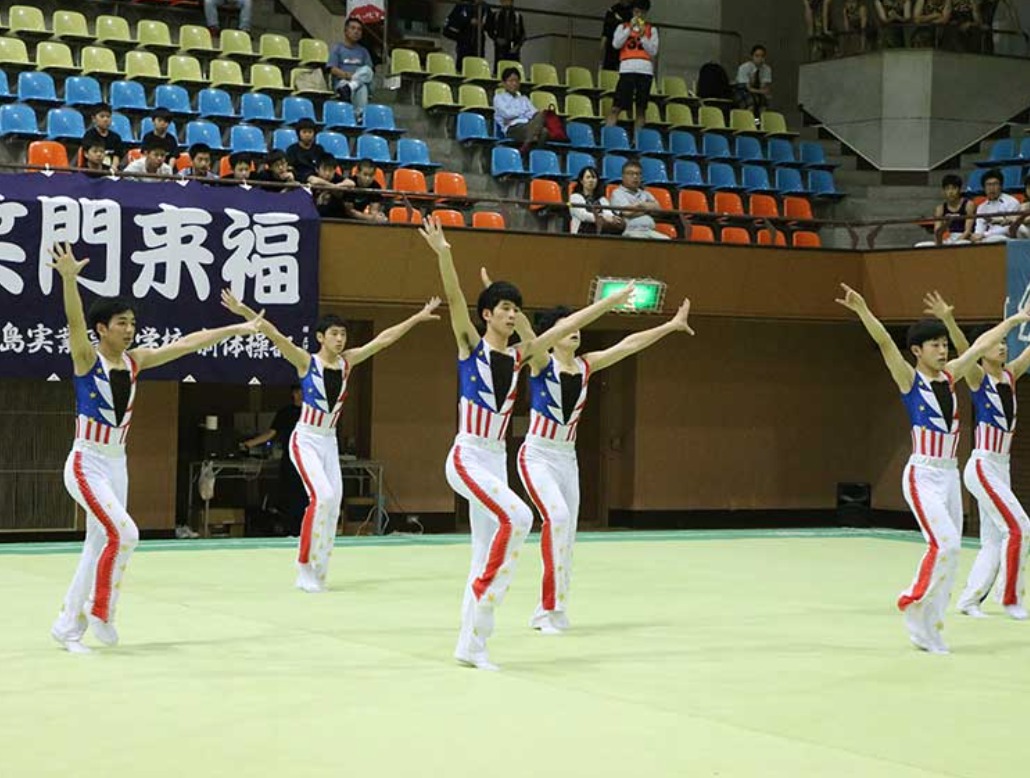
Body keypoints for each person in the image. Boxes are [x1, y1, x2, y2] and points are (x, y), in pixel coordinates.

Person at [417, 215, 635, 671]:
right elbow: (454, 298)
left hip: (495, 460)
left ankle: (471, 644)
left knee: (484, 551)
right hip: (467, 455)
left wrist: (609, 302)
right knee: (519, 516)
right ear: (487, 315)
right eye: (504, 308)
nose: (512, 314)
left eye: (516, 308)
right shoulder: (469, 346)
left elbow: (567, 325)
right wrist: (444, 255)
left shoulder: (523, 356)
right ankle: (485, 605)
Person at [48, 244, 262, 653]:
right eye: (121, 323)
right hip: (86, 463)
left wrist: (235, 329)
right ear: (102, 329)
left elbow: (188, 343)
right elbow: (74, 321)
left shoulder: (136, 361)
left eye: (132, 323)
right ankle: (100, 611)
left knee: (98, 545)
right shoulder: (86, 359)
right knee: (126, 533)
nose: (129, 330)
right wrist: (69, 279)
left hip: (117, 463)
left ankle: (66, 627)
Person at [834, 282, 1029, 653]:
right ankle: (912, 598)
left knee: (951, 557)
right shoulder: (909, 379)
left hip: (950, 475)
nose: (942, 350)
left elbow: (980, 346)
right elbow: (885, 343)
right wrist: (863, 310)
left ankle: (930, 628)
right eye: (935, 345)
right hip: (922, 475)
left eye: (944, 344)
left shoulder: (953, 374)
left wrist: (1016, 320)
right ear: (917, 351)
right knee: (946, 544)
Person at [222, 290, 441, 592]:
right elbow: (273, 334)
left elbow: (383, 340)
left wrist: (416, 317)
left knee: (334, 504)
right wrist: (244, 310)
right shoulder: (305, 362)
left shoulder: (347, 362)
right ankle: (303, 566)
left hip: (329, 442)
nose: (340, 339)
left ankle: (320, 570)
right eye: (334, 334)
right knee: (322, 496)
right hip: (306, 439)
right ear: (320, 337)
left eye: (343, 334)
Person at [512, 294, 695, 634]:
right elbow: (524, 330)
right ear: (553, 334)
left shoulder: (587, 365)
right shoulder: (541, 362)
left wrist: (670, 325)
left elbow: (629, 345)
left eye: (577, 326)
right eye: (566, 326)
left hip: (567, 459)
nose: (574, 330)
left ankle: (552, 609)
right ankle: (547, 611)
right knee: (558, 518)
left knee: (568, 535)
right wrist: (507, 301)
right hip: (537, 456)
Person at [924, 292, 1030, 621]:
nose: (1003, 347)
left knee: (993, 540)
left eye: (1006, 343)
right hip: (982, 465)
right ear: (983, 350)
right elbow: (965, 347)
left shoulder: (1011, 375)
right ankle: (1009, 598)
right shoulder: (977, 377)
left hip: (1002, 467)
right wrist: (948, 319)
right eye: (997, 343)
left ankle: (969, 600)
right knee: (1021, 527)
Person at [241, 384, 308, 535]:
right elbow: (271, 433)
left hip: (308, 459)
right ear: (293, 394)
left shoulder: (310, 412)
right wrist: (248, 444)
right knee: (289, 494)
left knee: (305, 495)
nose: (300, 395)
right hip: (290, 458)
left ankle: (304, 529)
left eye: (302, 392)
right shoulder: (285, 412)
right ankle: (291, 529)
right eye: (297, 392)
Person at [607, 0, 659, 133]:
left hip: (645, 70)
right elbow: (616, 44)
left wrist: (643, 36)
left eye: (642, 12)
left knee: (641, 109)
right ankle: (608, 135)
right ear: (632, 12)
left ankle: (637, 140)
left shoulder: (651, 30)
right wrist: (629, 29)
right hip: (627, 69)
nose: (638, 15)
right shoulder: (622, 27)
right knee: (616, 107)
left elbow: (653, 51)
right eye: (636, 12)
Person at [327, 17, 375, 123]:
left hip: (355, 84)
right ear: (346, 31)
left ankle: (350, 88)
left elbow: (368, 72)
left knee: (366, 75)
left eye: (359, 29)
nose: (356, 31)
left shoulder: (363, 51)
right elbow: (332, 69)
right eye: (353, 28)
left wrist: (354, 81)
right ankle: (359, 117)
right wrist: (348, 76)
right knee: (361, 86)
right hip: (342, 82)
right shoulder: (337, 48)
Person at [492, 67, 550, 155]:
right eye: (511, 81)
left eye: (516, 81)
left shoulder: (524, 99)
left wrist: (518, 115)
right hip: (513, 128)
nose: (514, 84)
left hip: (528, 126)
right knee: (542, 131)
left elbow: (534, 114)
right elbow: (507, 114)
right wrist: (524, 113)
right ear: (504, 83)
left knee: (542, 117)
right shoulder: (499, 98)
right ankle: (527, 151)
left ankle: (527, 149)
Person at [609, 159, 669, 239]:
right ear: (623, 176)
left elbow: (658, 209)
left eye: (638, 174)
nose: (635, 177)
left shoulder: (645, 193)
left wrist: (640, 205)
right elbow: (627, 212)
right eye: (631, 174)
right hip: (631, 232)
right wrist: (648, 210)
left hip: (649, 231)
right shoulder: (617, 193)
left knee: (667, 240)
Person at [914, 173, 974, 247]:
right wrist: (940, 244)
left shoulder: (968, 205)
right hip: (950, 238)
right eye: (947, 189)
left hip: (964, 238)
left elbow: (968, 231)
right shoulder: (940, 209)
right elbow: (937, 232)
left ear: (959, 189)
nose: (950, 192)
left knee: (959, 243)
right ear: (943, 191)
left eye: (954, 188)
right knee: (919, 245)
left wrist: (954, 243)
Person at [569, 165, 624, 235]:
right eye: (588, 177)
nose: (591, 180)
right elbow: (583, 216)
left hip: (600, 234)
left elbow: (608, 213)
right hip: (581, 234)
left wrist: (613, 218)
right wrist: (603, 218)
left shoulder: (602, 199)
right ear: (581, 181)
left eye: (594, 177)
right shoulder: (575, 197)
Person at [970, 168, 1019, 243]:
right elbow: (979, 228)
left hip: (1007, 237)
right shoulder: (981, 207)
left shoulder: (1011, 202)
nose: (992, 188)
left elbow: (1008, 228)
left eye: (995, 184)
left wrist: (984, 235)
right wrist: (976, 236)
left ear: (1001, 186)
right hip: (987, 238)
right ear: (984, 188)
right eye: (988, 185)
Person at [443, 0, 489, 67]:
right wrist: (468, 22)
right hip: (464, 47)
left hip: (478, 47)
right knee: (462, 66)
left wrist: (482, 25)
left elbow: (490, 25)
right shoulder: (463, 5)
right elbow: (448, 28)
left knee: (477, 67)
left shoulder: (485, 7)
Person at [285, 118, 329, 186]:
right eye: (304, 132)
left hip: (318, 179)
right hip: (300, 179)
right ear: (298, 134)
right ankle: (334, 187)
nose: (307, 135)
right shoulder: (292, 149)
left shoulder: (319, 149)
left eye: (310, 132)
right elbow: (290, 168)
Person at [81, 103, 124, 173]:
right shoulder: (89, 135)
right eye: (102, 116)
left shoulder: (116, 137)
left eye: (108, 117)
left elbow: (117, 155)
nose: (105, 119)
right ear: (94, 119)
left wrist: (113, 168)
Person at [342, 159, 387, 223]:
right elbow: (349, 212)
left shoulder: (376, 186)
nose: (368, 178)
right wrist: (371, 218)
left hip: (358, 220)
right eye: (365, 174)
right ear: (357, 173)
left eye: (371, 175)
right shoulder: (350, 184)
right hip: (339, 217)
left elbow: (373, 211)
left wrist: (378, 217)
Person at [734, 44, 773, 116]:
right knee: (751, 103)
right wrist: (761, 91)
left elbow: (764, 86)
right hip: (742, 90)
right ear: (752, 57)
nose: (760, 59)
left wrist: (764, 92)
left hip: (757, 91)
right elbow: (747, 87)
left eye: (762, 56)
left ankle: (758, 121)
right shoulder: (744, 68)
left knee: (763, 103)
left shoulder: (767, 69)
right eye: (757, 56)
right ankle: (748, 121)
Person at [486, 0, 527, 67]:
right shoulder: (496, 15)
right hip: (500, 49)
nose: (505, 3)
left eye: (507, 1)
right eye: (503, 1)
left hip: (513, 47)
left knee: (513, 68)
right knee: (500, 68)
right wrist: (496, 39)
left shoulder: (517, 16)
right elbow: (489, 30)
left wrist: (517, 46)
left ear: (511, 2)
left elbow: (522, 34)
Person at [601, 0, 635, 72]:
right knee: (609, 66)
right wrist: (604, 38)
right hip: (611, 42)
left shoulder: (634, 10)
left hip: (627, 43)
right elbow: (607, 26)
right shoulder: (613, 9)